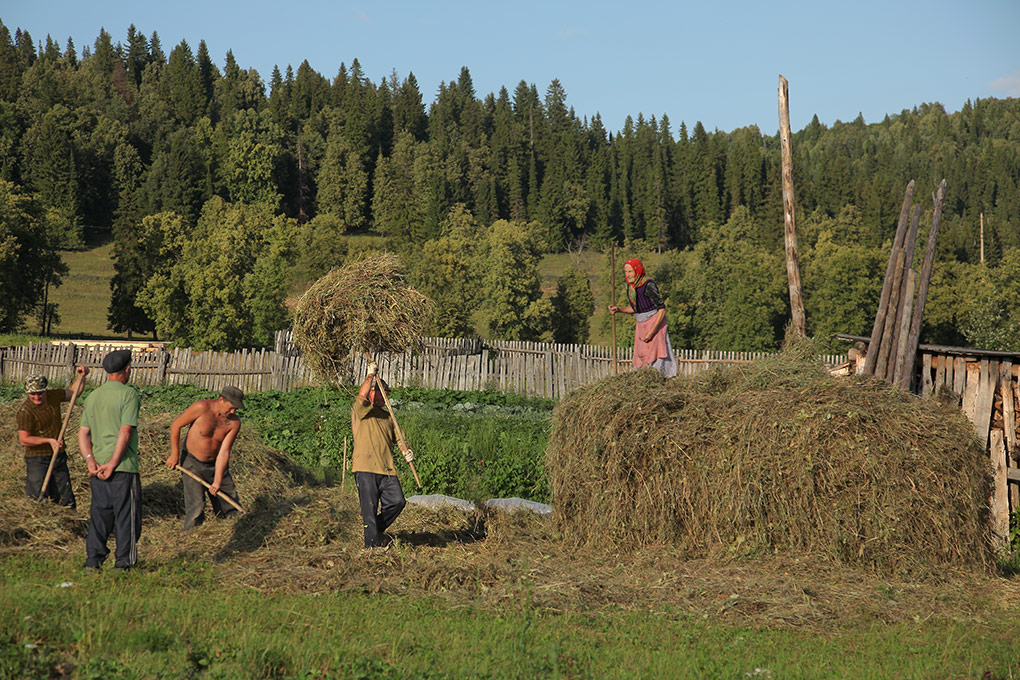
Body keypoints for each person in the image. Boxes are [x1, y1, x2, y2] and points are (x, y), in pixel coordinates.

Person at [78, 349, 141, 571]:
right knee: (127, 517)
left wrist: (90, 462)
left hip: (97, 468)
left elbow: (83, 433)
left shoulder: (93, 396)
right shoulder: (129, 394)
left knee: (99, 515)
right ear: (127, 369)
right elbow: (126, 431)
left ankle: (93, 561)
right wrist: (114, 463)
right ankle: (123, 563)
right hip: (122, 467)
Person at [351, 361, 414, 549]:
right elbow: (361, 395)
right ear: (373, 392)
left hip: (387, 469)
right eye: (383, 394)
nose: (386, 398)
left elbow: (400, 440)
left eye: (387, 395)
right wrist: (370, 375)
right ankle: (372, 547)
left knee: (397, 501)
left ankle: (373, 531)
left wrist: (407, 452)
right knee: (369, 510)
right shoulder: (361, 411)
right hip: (365, 468)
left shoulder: (388, 417)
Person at [164, 386, 244, 530]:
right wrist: (174, 455)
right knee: (197, 506)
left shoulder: (234, 423)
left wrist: (217, 481)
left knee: (230, 503)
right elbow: (176, 426)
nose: (233, 412)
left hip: (216, 464)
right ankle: (191, 536)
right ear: (221, 399)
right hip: (192, 461)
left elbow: (224, 452)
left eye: (236, 410)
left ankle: (234, 531)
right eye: (231, 408)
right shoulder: (201, 407)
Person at [17, 366, 89, 507]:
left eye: (40, 393)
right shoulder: (25, 411)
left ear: (45, 391)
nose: (37, 397)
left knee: (64, 494)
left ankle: (70, 523)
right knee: (37, 497)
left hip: (58, 456)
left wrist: (82, 376)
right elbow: (24, 439)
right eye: (33, 394)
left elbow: (74, 392)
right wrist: (49, 441)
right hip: (37, 459)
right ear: (28, 393)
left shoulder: (53, 396)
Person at [608, 257, 678, 378]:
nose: (628, 274)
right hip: (641, 324)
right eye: (625, 271)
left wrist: (652, 332)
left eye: (630, 271)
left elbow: (661, 309)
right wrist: (619, 309)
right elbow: (635, 309)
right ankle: (644, 379)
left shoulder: (648, 285)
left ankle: (661, 379)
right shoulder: (631, 288)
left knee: (657, 353)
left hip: (655, 323)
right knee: (642, 354)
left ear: (637, 270)